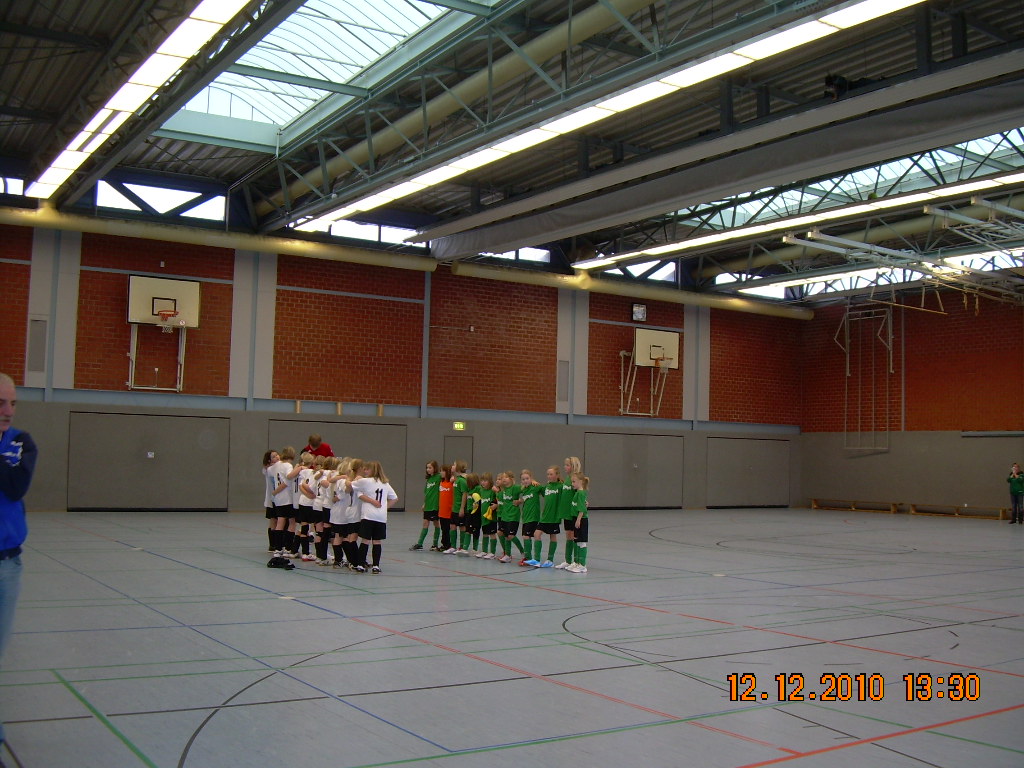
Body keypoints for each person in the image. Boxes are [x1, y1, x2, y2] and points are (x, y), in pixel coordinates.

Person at [0, 373, 38, 758]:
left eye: (12, 403)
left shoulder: (22, 442)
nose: (8, 411)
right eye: (0, 403)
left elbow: (14, 487)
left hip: (6, 566)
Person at [352, 461, 398, 574]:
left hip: (368, 516)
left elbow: (351, 485)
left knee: (365, 540)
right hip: (381, 517)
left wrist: (352, 478)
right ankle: (376, 566)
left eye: (367, 469)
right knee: (377, 541)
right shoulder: (385, 483)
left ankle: (360, 564)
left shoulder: (366, 481)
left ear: (372, 470)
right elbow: (395, 498)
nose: (365, 471)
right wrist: (384, 507)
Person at [555, 456, 582, 569]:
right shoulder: (566, 478)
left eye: (567, 465)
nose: (565, 467)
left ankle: (576, 561)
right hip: (566, 512)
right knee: (568, 536)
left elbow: (581, 492)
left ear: (573, 466)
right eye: (565, 465)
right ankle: (568, 560)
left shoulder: (576, 478)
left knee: (575, 537)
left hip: (573, 512)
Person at [410, 460, 441, 551]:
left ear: (435, 468)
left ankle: (435, 544)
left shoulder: (439, 477)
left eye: (430, 467)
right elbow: (427, 493)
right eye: (427, 468)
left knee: (436, 523)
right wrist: (424, 503)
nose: (428, 469)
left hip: (435, 505)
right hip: (428, 505)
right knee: (425, 523)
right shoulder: (429, 479)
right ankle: (420, 543)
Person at [566, 472, 590, 573]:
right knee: (577, 540)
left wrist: (579, 519)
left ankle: (583, 565)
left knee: (582, 542)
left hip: (581, 520)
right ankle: (578, 563)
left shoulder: (581, 493)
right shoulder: (577, 492)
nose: (572, 484)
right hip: (575, 518)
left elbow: (581, 509)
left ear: (580, 482)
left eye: (574, 482)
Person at [438, 465, 455, 553]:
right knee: (443, 529)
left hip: (449, 510)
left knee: (448, 529)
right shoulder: (441, 482)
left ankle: (449, 545)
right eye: (440, 471)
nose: (441, 472)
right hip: (442, 511)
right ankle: (444, 544)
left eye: (443, 471)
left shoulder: (452, 482)